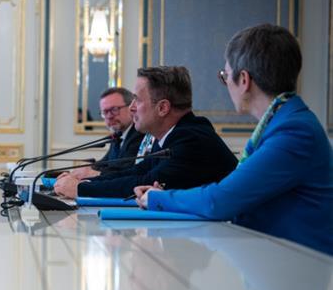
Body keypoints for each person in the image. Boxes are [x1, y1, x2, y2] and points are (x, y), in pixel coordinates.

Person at [135, 24, 333, 255]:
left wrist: (159, 198)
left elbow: (220, 201)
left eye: (225, 76)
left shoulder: (294, 132)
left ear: (244, 80)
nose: (226, 83)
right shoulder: (284, 121)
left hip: (298, 265)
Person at [54, 65, 237, 199]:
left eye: (137, 100)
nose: (132, 108)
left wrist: (80, 189)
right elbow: (136, 172)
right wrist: (85, 183)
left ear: (163, 108)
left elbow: (145, 181)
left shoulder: (192, 139)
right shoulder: (169, 135)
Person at [69, 87, 143, 180]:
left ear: (131, 107)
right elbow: (105, 163)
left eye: (114, 110)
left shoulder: (139, 133)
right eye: (105, 112)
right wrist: (79, 171)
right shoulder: (118, 135)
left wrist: (93, 173)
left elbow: (124, 171)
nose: (109, 116)